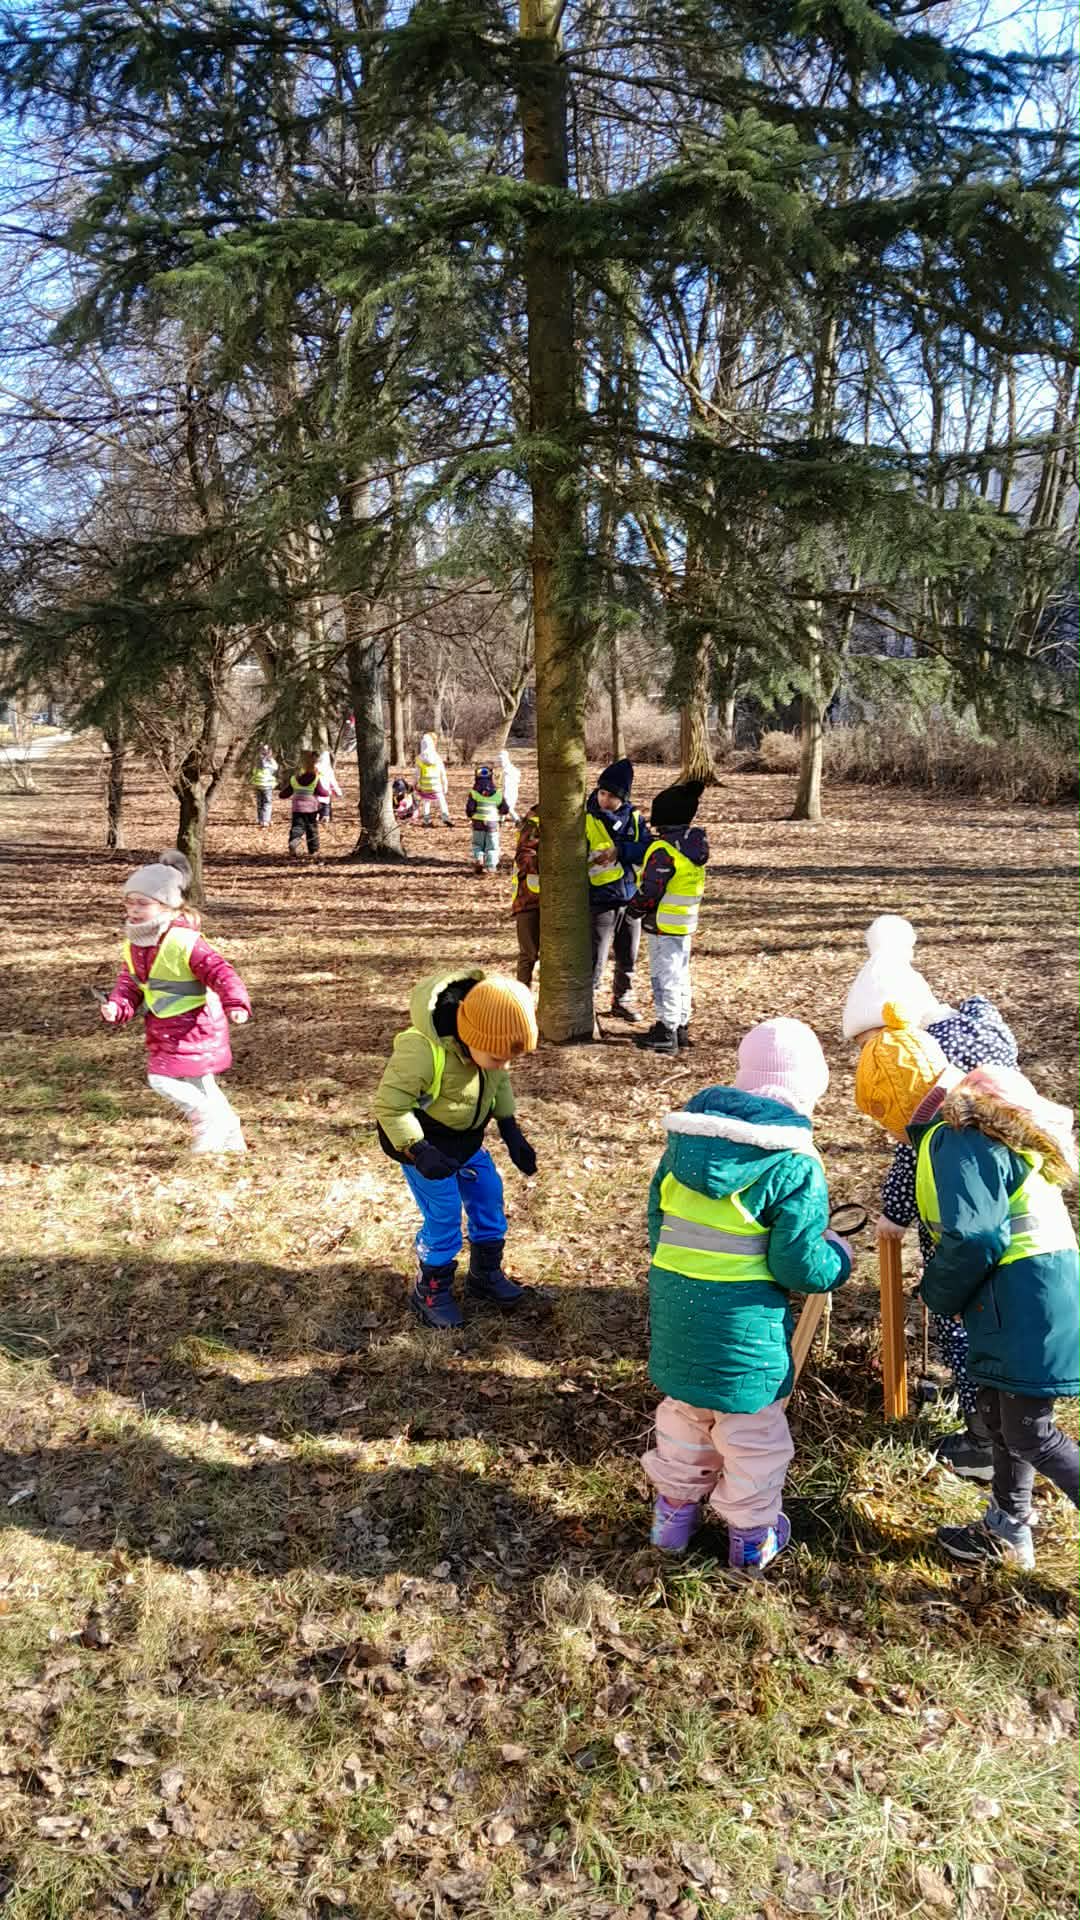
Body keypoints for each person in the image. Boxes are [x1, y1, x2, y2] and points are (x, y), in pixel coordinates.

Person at [854, 1008, 1080, 1570]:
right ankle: (1006, 1527)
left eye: (882, 1115)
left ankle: (1010, 1524)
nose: (887, 1132)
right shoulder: (968, 1124)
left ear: (899, 1102)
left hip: (1028, 1299)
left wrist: (938, 1293)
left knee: (1031, 1433)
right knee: (1002, 1419)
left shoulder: (954, 1137)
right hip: (1020, 1297)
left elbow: (976, 1235)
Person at [642, 1019, 852, 1573]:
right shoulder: (794, 1163)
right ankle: (751, 1540)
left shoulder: (683, 1150)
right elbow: (798, 1265)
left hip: (675, 1311)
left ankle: (672, 1521)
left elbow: (658, 1227)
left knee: (686, 1411)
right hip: (745, 1327)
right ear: (807, 1091)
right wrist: (838, 1259)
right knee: (752, 1430)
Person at [842, 914, 1020, 1480]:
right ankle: (996, 1426)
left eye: (870, 1046)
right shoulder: (975, 1048)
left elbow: (916, 1153)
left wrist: (896, 1214)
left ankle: (982, 1438)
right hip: (1014, 1226)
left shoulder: (938, 1103)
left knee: (964, 1322)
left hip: (972, 1238)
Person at [373, 971, 539, 1328]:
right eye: (497, 1057)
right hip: (425, 1148)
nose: (504, 1065)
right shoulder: (422, 1050)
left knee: (489, 1194)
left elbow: (498, 1083)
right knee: (444, 1213)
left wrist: (511, 1131)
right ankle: (430, 1288)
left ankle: (485, 1273)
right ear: (471, 1037)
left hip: (467, 1143)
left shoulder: (489, 1049)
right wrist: (418, 1150)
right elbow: (390, 1105)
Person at [100, 863, 251, 1153]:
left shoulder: (183, 940)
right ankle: (232, 1139)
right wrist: (117, 1006)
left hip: (196, 1024)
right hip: (165, 1025)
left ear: (167, 905)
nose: (133, 909)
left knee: (160, 1078)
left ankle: (207, 1121)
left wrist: (235, 1003)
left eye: (143, 903)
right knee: (201, 1083)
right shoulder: (135, 943)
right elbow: (130, 984)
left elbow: (220, 971)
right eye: (129, 902)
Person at [627, 778, 709, 1056]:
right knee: (680, 974)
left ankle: (667, 1030)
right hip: (684, 921)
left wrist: (635, 909)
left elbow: (652, 889)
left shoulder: (664, 850)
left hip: (663, 923)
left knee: (665, 977)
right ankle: (681, 1024)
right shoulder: (693, 846)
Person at [586, 758, 651, 1023]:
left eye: (611, 796)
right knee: (596, 954)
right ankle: (588, 1003)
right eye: (602, 793)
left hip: (630, 896)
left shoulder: (634, 819)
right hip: (600, 898)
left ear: (623, 797)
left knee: (628, 953)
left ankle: (622, 998)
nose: (605, 799)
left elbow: (647, 849)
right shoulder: (587, 817)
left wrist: (621, 851)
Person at [511, 803, 541, 989]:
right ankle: (521, 994)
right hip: (528, 900)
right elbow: (525, 859)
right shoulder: (532, 827)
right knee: (528, 953)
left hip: (550, 901)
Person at [283, 750, 330, 857]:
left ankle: (294, 840)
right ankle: (313, 850)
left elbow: (285, 793)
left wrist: (282, 794)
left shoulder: (294, 779)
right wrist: (328, 792)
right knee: (312, 829)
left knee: (297, 826)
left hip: (297, 808)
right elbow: (322, 792)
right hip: (311, 808)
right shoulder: (315, 778)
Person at [465, 764, 509, 875]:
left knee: (477, 844)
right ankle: (491, 866)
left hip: (478, 823)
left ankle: (479, 858)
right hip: (492, 823)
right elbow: (505, 809)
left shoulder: (474, 793)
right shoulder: (497, 794)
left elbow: (470, 809)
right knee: (492, 846)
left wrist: (471, 815)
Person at [416, 732, 452, 827]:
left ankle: (426, 820)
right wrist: (445, 784)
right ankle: (445, 816)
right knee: (442, 800)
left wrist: (415, 783)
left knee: (426, 802)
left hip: (425, 786)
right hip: (436, 786)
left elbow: (417, 774)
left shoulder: (419, 758)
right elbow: (442, 772)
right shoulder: (437, 758)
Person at [249, 745, 278, 828]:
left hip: (258, 785)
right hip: (267, 786)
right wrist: (271, 758)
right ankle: (265, 821)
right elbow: (276, 767)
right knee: (267, 803)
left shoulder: (257, 762)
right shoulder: (270, 763)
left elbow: (254, 771)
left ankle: (260, 819)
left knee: (260, 803)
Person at [315, 748, 344, 825]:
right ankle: (324, 822)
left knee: (314, 817)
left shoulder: (311, 768)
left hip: (313, 798)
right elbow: (333, 783)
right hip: (325, 798)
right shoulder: (328, 770)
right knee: (325, 817)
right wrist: (339, 793)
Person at [497, 748, 522, 824]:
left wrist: (505, 793)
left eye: (501, 760)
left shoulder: (510, 770)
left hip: (511, 791)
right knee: (505, 806)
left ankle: (517, 820)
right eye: (500, 760)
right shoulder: (506, 770)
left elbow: (509, 784)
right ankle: (501, 820)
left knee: (508, 807)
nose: (500, 762)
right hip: (508, 791)